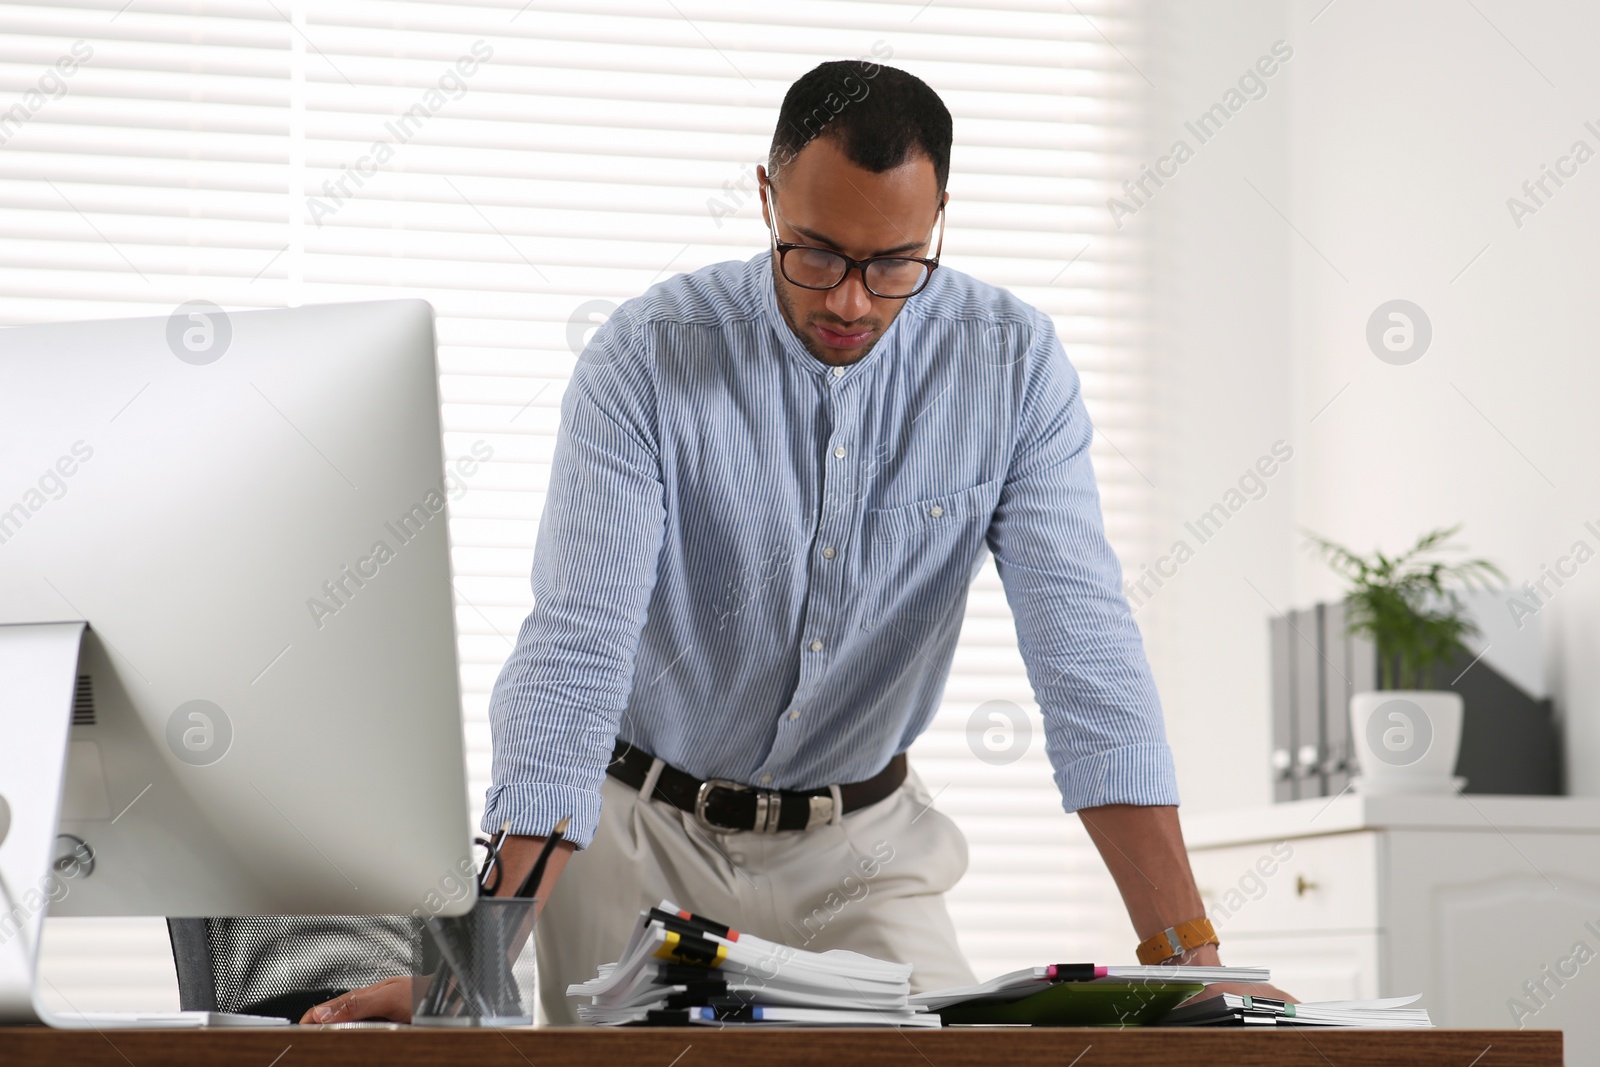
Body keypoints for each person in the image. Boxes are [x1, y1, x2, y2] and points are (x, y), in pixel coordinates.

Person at [305, 59, 1292, 1025]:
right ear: (767, 196)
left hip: (860, 846)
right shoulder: (647, 356)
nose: (850, 300)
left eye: (894, 262)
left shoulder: (1013, 365)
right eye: (814, 252)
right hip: (638, 835)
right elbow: (577, 647)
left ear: (939, 215)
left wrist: (1188, 958)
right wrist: (465, 963)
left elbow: (1086, 651)